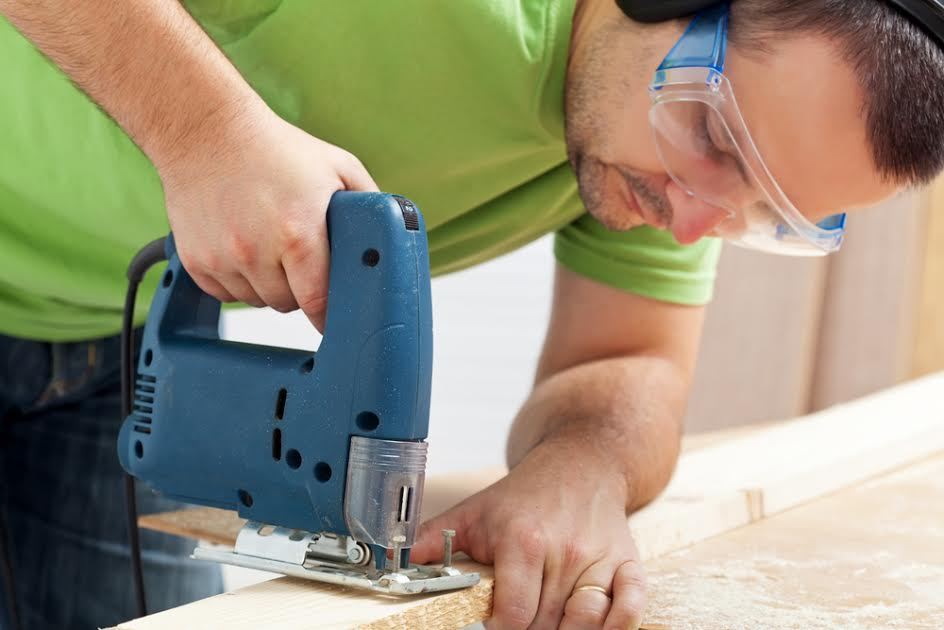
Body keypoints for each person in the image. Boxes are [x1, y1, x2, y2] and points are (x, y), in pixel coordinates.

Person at [0, 0, 941, 628]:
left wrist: (582, 468)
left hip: (95, 343)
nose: (697, 222)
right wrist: (204, 131)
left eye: (761, 214)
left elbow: (633, 357)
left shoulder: (662, 168)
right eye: (712, 137)